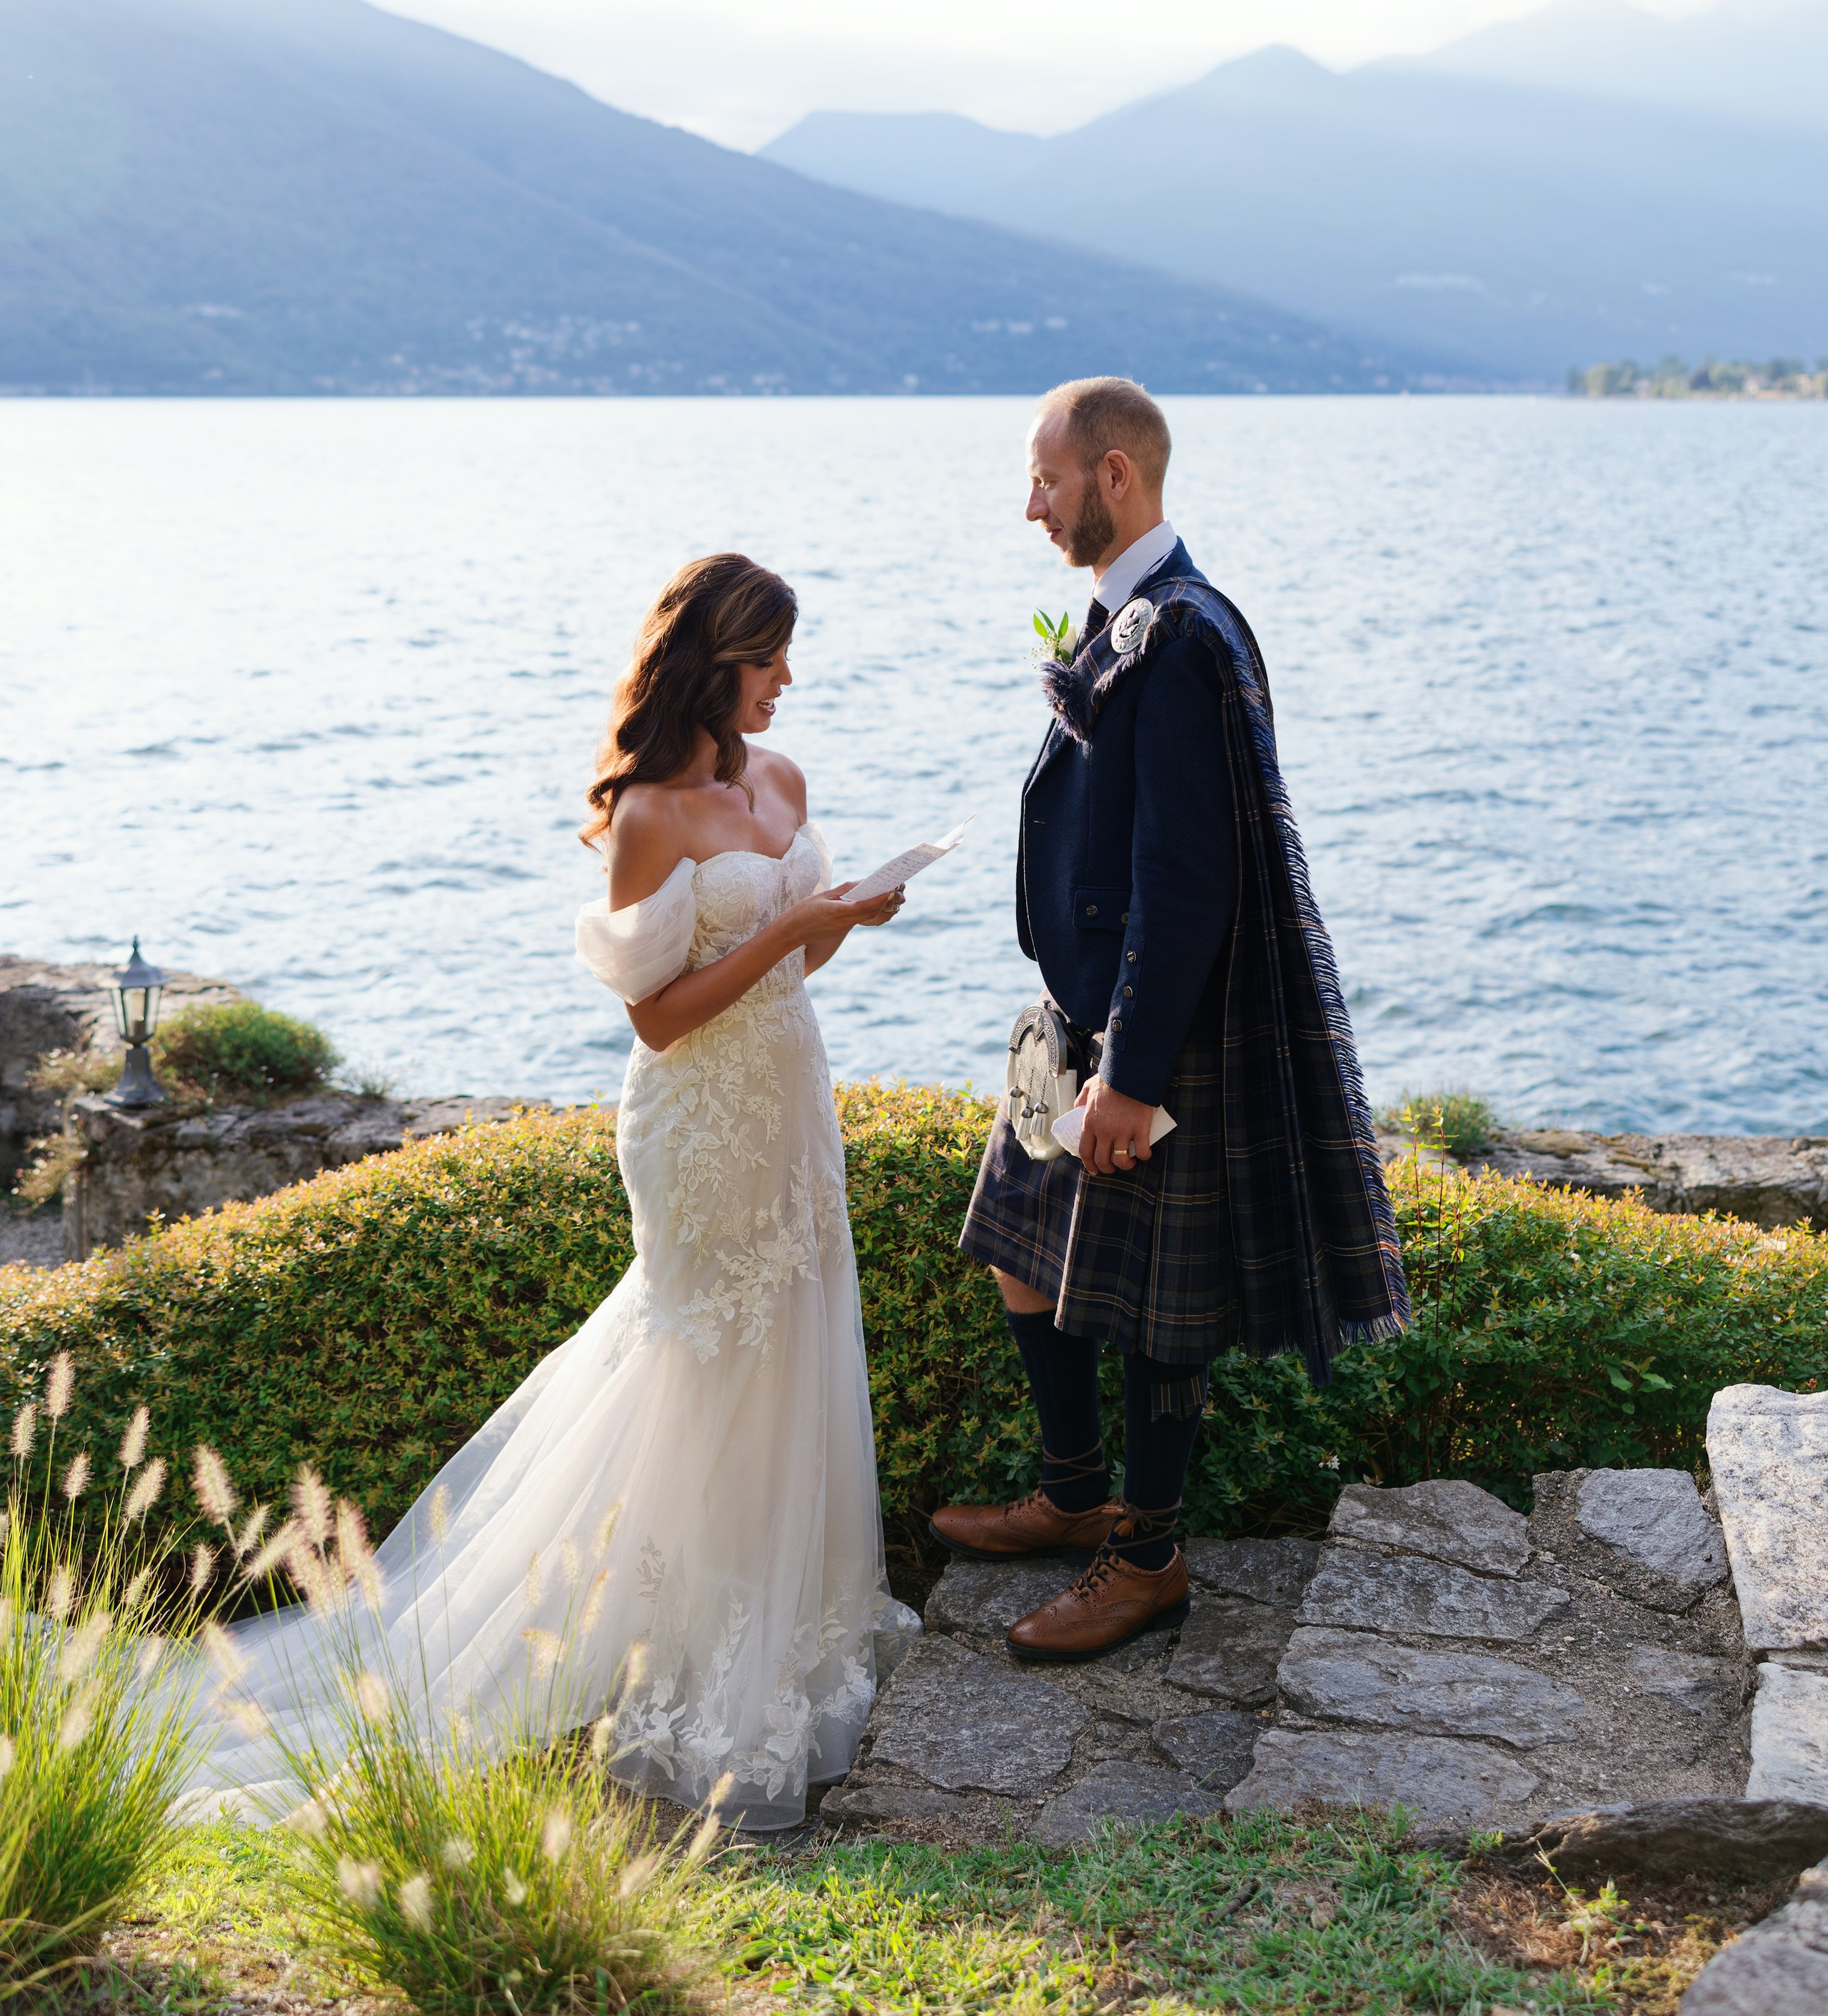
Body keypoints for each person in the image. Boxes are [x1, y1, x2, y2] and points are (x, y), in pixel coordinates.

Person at [178, 553, 907, 1834]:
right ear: (712, 663)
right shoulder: (649, 815)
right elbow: (659, 1016)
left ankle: (783, 1618)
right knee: (700, 1360)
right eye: (768, 657)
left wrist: (842, 918)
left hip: (793, 1106)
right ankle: (660, 1641)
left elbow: (798, 965)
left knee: (794, 1341)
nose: (788, 679)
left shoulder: (785, 780)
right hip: (696, 1124)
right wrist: (792, 931)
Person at [935, 378, 1408, 1663]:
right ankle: (1073, 1492)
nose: (1030, 506)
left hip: (1151, 1029)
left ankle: (1147, 1562)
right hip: (1075, 1011)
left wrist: (1134, 1076)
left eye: (1046, 480)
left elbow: (1188, 878)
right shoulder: (1122, 616)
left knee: (1156, 1307)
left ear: (1115, 475)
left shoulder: (1186, 634)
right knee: (1017, 1245)